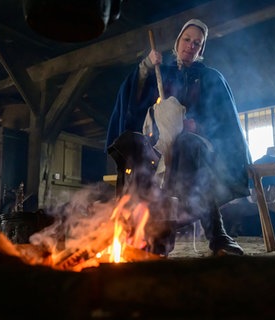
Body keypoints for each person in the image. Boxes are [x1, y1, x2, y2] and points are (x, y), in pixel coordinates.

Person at [106, 19, 251, 256]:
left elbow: (222, 118)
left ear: (201, 49)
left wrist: (197, 125)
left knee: (187, 143)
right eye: (187, 39)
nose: (191, 46)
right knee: (132, 146)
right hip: (160, 143)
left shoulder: (210, 77)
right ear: (178, 41)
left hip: (198, 144)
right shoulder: (160, 72)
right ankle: (138, 235)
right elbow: (133, 98)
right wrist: (145, 66)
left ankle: (218, 235)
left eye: (197, 43)